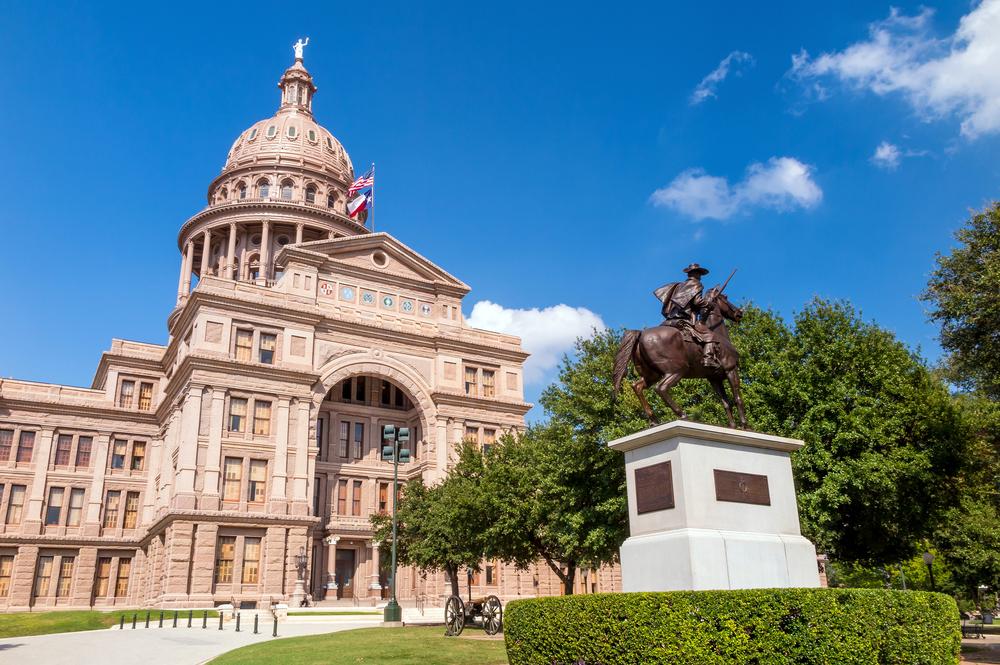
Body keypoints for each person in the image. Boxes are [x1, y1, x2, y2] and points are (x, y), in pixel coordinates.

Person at [653, 263, 720, 369]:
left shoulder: (679, 286)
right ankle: (708, 358)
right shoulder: (696, 284)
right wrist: (709, 304)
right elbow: (697, 302)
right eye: (700, 274)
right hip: (683, 319)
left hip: (670, 319)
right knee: (710, 335)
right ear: (696, 274)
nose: (701, 276)